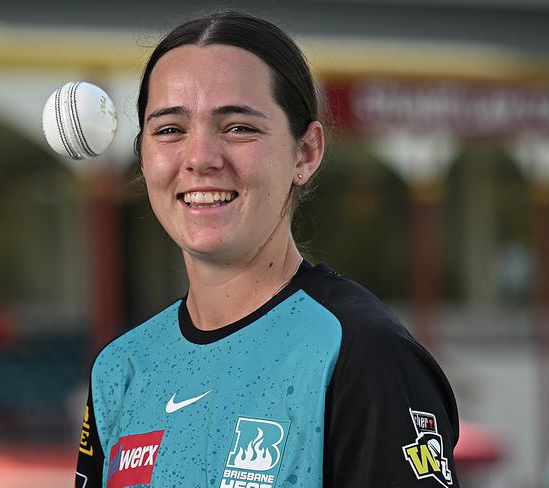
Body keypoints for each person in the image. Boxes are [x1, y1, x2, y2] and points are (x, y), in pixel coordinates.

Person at [75, 10, 460, 488]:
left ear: (306, 153)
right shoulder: (121, 368)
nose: (200, 159)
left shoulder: (361, 354)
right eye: (170, 129)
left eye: (238, 127)